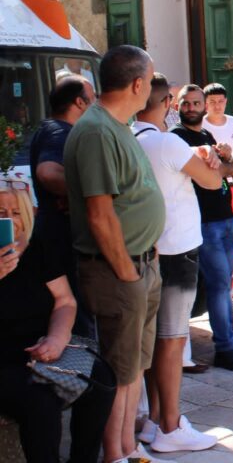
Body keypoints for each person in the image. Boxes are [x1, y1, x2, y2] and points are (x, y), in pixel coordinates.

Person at [64, 45, 166, 463]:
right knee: (119, 369)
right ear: (138, 84)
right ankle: (114, 454)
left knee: (133, 368)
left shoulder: (118, 125)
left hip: (141, 264)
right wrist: (127, 272)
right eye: (152, 80)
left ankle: (128, 447)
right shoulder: (97, 132)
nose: (154, 88)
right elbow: (100, 214)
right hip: (118, 272)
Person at [131, 77, 221, 452]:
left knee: (156, 341)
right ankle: (170, 425)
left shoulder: (131, 137)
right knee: (171, 341)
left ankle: (154, 420)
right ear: (168, 102)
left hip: (149, 249)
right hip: (176, 249)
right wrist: (212, 159)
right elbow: (212, 181)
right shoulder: (167, 142)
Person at [0, 184, 115, 463]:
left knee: (100, 377)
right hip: (4, 360)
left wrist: (57, 338)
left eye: (17, 212)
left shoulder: (37, 248)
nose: (10, 220)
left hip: (42, 349)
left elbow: (65, 301)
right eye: (1, 212)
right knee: (40, 402)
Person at [173, 85, 233, 371]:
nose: (191, 108)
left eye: (195, 103)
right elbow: (213, 172)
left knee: (225, 283)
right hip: (204, 222)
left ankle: (232, 340)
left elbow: (232, 170)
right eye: (186, 103)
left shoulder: (206, 136)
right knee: (219, 284)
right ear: (177, 106)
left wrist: (227, 159)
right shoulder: (176, 138)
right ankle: (224, 348)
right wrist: (225, 166)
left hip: (225, 217)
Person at [29, 75, 96, 337]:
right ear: (80, 102)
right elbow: (47, 172)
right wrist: (87, 196)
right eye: (93, 98)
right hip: (63, 238)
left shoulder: (51, 129)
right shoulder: (60, 132)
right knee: (77, 316)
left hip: (57, 235)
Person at [201, 82, 233, 310]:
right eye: (212, 102)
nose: (217, 105)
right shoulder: (201, 126)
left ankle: (232, 284)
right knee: (219, 239)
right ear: (205, 104)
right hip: (212, 187)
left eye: (220, 101)